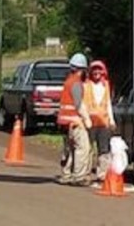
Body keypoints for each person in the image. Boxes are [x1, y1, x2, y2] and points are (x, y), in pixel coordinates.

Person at [57, 53, 92, 186]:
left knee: (70, 149)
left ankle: (66, 175)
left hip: (64, 122)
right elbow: (78, 105)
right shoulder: (76, 84)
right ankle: (79, 176)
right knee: (82, 148)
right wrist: (87, 120)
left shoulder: (68, 82)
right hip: (75, 122)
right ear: (81, 69)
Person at [82, 59, 116, 182]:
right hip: (90, 123)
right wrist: (85, 119)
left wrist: (111, 120)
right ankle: (85, 172)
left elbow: (108, 104)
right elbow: (83, 104)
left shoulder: (106, 85)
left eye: (99, 69)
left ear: (103, 72)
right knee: (88, 148)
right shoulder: (86, 85)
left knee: (104, 149)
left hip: (103, 123)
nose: (97, 72)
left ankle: (102, 174)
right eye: (94, 70)